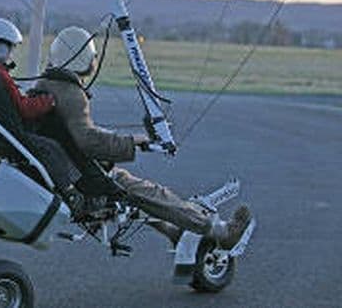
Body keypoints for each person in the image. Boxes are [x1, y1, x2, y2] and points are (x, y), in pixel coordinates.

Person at [33, 26, 252, 248]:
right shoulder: (71, 94)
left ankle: (173, 233)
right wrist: (133, 140)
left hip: (68, 174)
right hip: (82, 184)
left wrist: (116, 139)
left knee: (131, 190)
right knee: (151, 193)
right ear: (86, 58)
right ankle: (221, 232)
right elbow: (88, 140)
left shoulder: (43, 85)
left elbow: (74, 135)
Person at [0, 17, 89, 219]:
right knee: (50, 147)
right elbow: (25, 109)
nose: (10, 54)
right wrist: (49, 101)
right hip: (8, 137)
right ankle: (72, 192)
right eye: (8, 48)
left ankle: (72, 186)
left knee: (49, 145)